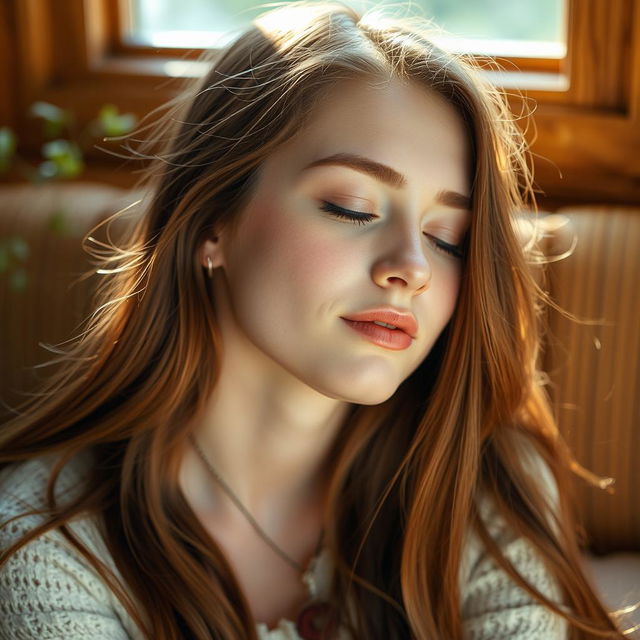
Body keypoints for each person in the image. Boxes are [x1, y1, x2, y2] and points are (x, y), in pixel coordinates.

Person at [0, 1, 631, 638]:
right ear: (212, 222)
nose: (410, 267)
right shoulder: (42, 550)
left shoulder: (489, 482)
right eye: (352, 207)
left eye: (449, 238)